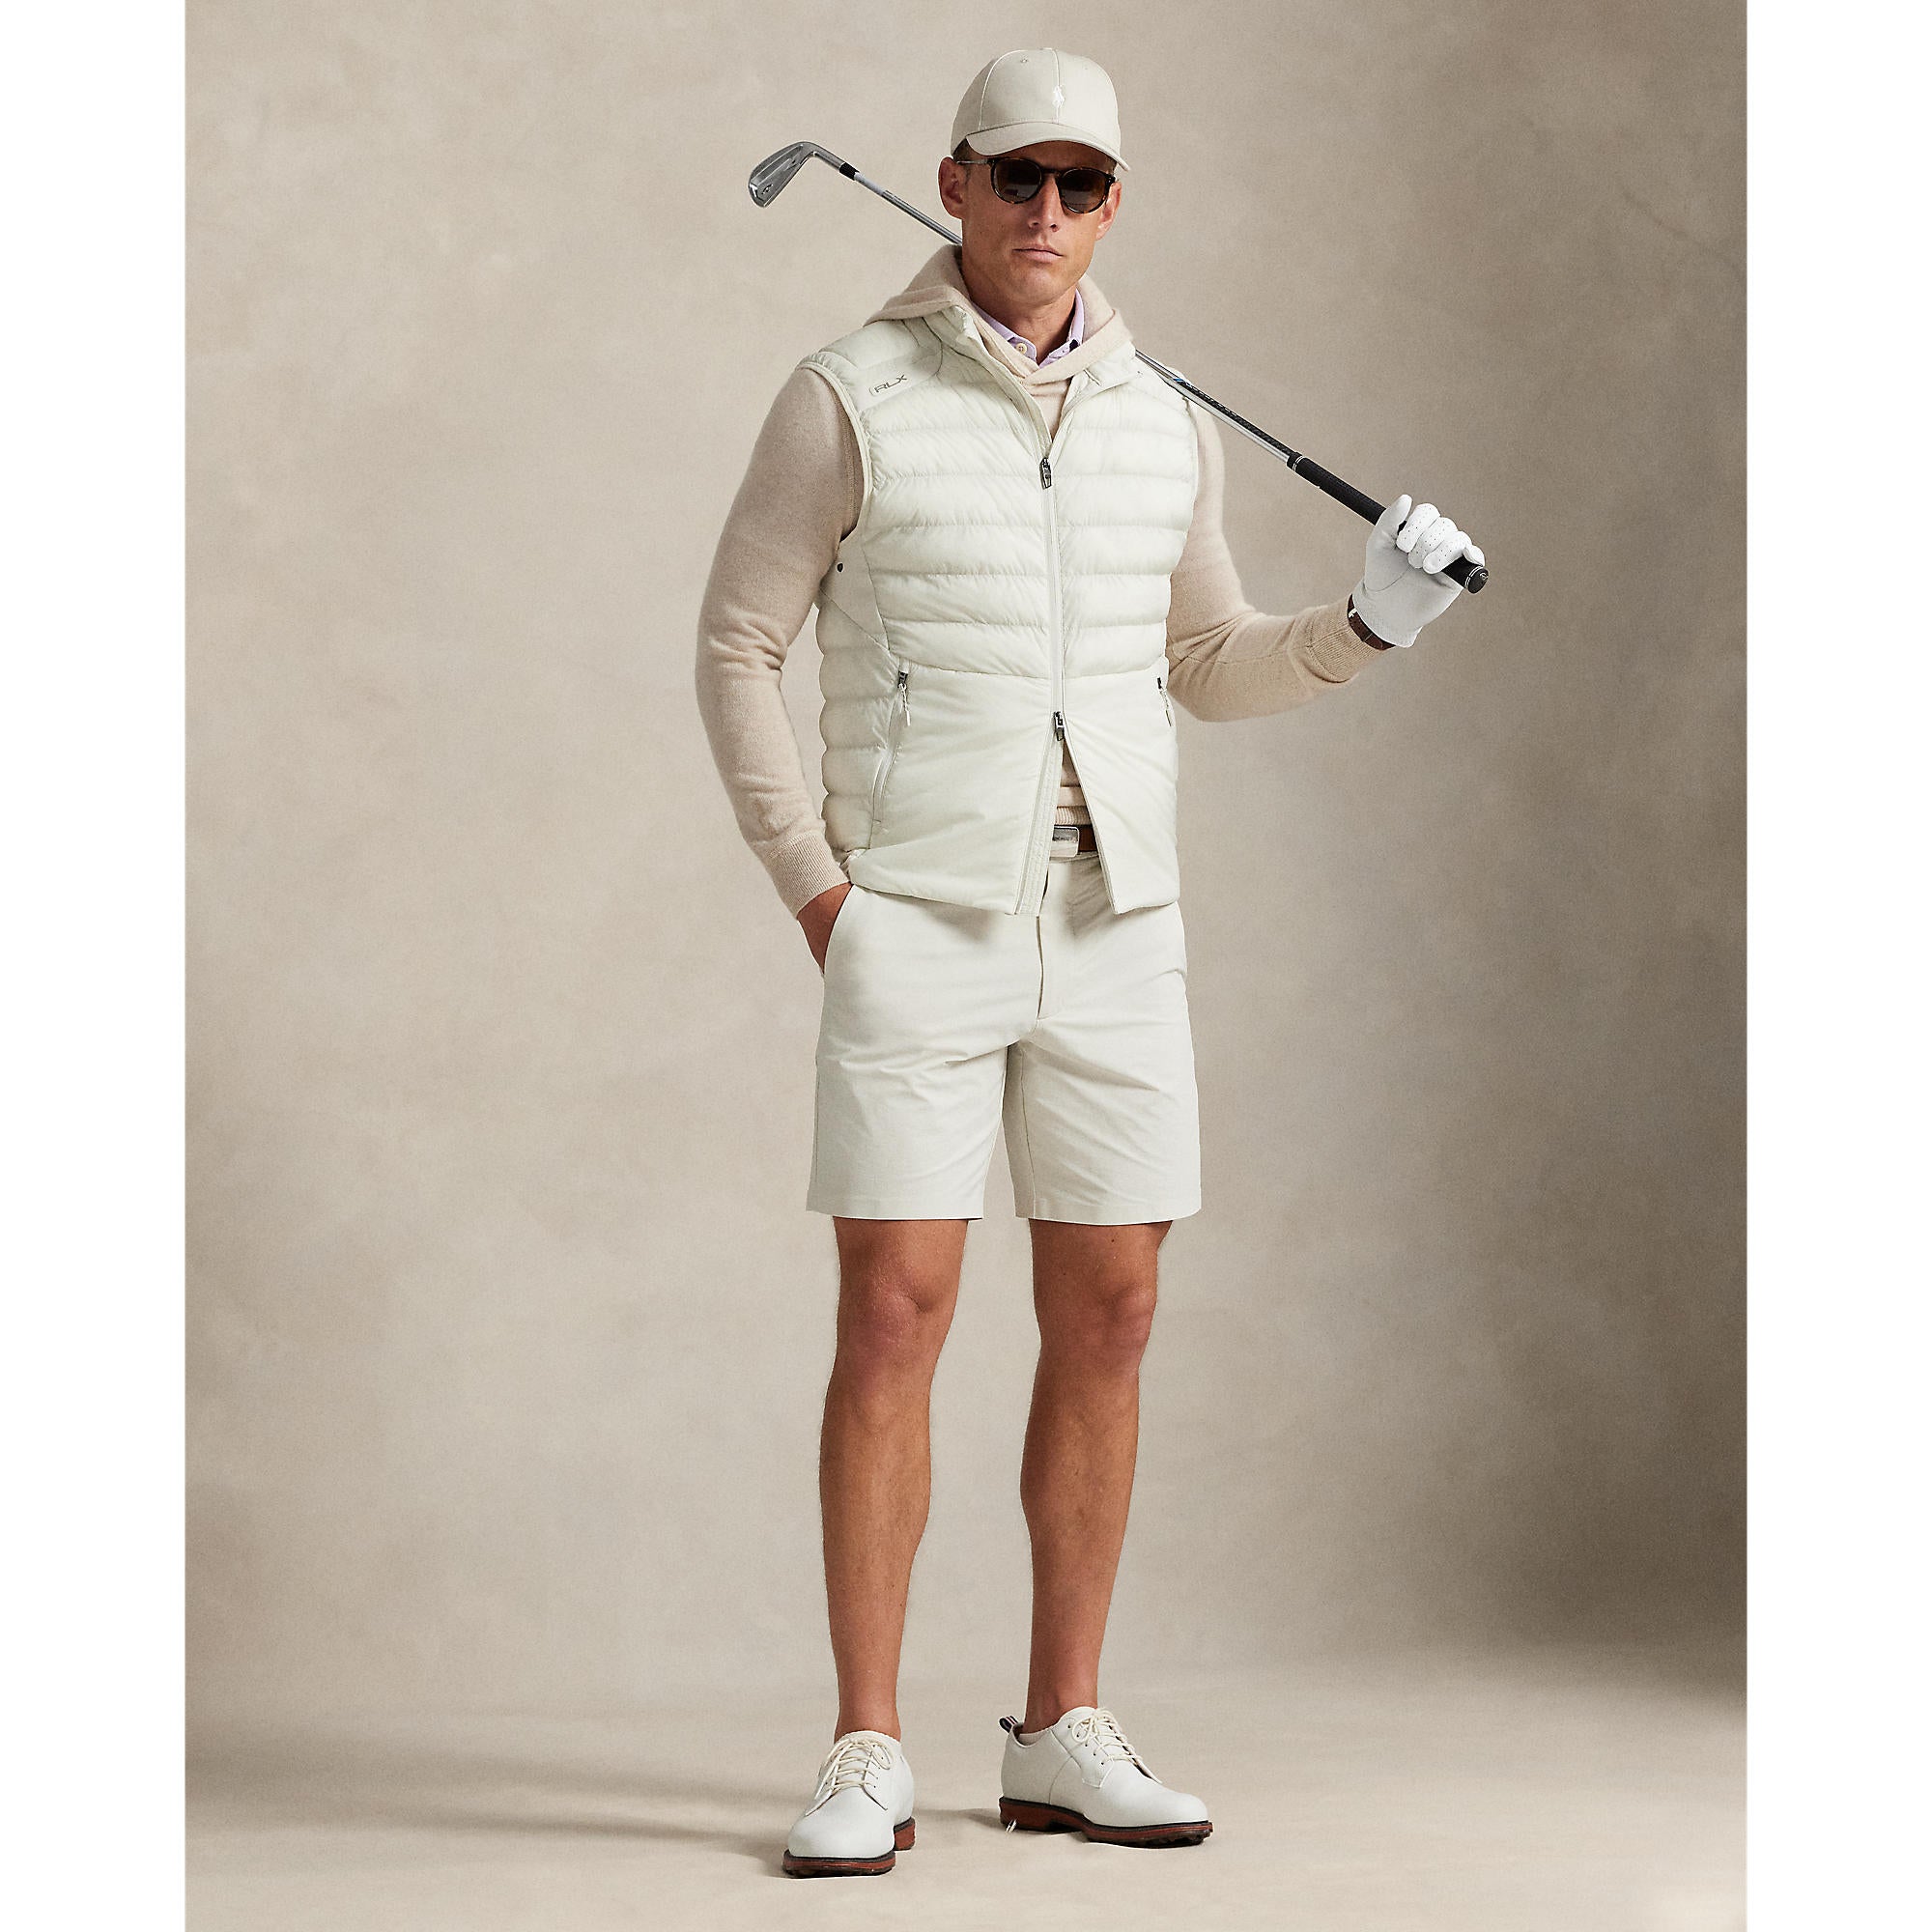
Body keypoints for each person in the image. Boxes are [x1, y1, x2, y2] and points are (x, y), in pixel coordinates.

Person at [694, 45, 1483, 1878]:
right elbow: (736, 645)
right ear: (955, 183)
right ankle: (867, 1745)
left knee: (1114, 1311)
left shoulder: (1161, 420)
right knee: (894, 1312)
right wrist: (818, 892)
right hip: (914, 912)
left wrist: (1368, 624)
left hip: (1118, 926)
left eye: (1083, 183)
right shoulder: (846, 395)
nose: (1047, 211)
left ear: (1115, 204)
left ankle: (1061, 1730)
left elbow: (1204, 661)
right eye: (1017, 176)